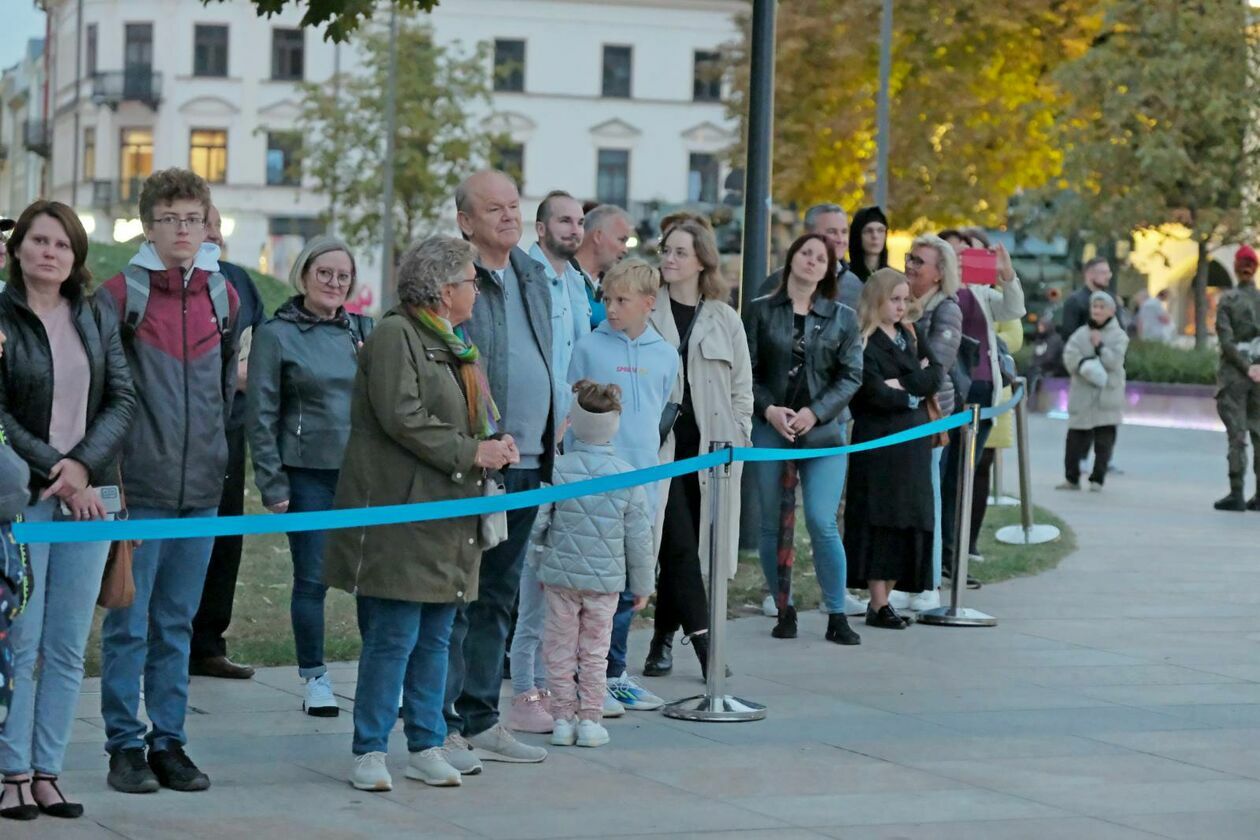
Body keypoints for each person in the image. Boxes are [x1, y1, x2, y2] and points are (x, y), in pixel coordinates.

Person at [324, 235, 519, 791]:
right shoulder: (395, 335)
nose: (477, 291)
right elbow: (402, 416)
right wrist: (469, 451)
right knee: (393, 636)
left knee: (438, 635)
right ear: (441, 288)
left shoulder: (456, 343)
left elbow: (468, 420)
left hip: (450, 511)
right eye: (469, 281)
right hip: (402, 511)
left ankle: (426, 742)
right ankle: (369, 749)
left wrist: (494, 443)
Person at [94, 169, 240, 795]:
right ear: (148, 225)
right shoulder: (117, 295)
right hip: (138, 488)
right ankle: (124, 745)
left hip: (202, 489)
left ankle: (169, 741)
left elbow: (224, 386)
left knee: (178, 623)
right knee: (130, 624)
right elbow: (100, 394)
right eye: (170, 218)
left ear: (207, 224)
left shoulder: (221, 294)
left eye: (193, 218)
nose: (183, 229)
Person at [0, 201, 136, 821]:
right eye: (39, 240)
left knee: (66, 646)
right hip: (25, 498)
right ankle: (12, 772)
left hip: (93, 498)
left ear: (76, 257)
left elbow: (123, 398)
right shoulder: (2, 316)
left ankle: (49, 771)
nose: (49, 252)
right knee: (20, 644)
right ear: (18, 248)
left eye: (62, 244)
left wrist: (83, 467)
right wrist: (59, 471)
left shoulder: (94, 311)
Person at [444, 170, 554, 770]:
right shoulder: (454, 279)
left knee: (500, 599)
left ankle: (484, 717)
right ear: (465, 220)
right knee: (459, 597)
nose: (510, 216)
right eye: (495, 209)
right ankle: (442, 724)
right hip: (480, 465)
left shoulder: (533, 274)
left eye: (515, 206)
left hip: (533, 461)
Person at [247, 235, 374, 716]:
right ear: (303, 275)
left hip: (361, 474)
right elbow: (261, 415)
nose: (334, 283)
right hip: (307, 475)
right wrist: (272, 483)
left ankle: (377, 674)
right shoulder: (275, 335)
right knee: (313, 580)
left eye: (343, 276)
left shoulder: (363, 329)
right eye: (325, 273)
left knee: (371, 579)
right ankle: (315, 677)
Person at [644, 220, 753, 678]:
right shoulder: (650, 312)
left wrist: (740, 435)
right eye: (666, 251)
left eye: (680, 252)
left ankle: (662, 638)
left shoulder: (724, 318)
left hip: (712, 456)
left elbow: (742, 388)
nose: (669, 259)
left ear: (702, 260)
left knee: (686, 550)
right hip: (661, 454)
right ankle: (708, 646)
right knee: (680, 546)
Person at [568, 258, 677, 710]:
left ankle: (613, 671)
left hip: (643, 484)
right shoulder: (589, 347)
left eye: (621, 301)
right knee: (594, 583)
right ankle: (589, 673)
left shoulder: (665, 353)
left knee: (633, 583)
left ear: (648, 304)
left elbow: (659, 409)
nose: (611, 309)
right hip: (594, 482)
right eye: (606, 299)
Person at [744, 233, 864, 644]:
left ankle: (836, 613)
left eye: (821, 258)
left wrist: (817, 411)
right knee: (772, 524)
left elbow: (851, 375)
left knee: (820, 520)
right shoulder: (760, 312)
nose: (812, 261)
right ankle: (784, 607)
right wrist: (769, 410)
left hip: (825, 432)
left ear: (829, 269)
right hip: (771, 426)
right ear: (791, 257)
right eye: (806, 253)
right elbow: (748, 373)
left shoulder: (843, 317)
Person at [504, 192, 592, 734]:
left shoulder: (579, 284)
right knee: (528, 571)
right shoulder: (524, 276)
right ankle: (525, 687)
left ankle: (560, 684)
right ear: (539, 228)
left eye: (580, 221)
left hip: (571, 440)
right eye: (564, 219)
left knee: (560, 569)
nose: (574, 229)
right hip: (532, 441)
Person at [530, 380, 654, 748]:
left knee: (558, 648)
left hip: (559, 578)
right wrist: (644, 585)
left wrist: (541, 557)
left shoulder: (558, 470)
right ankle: (590, 720)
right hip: (606, 581)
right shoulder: (629, 476)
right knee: (595, 651)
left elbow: (539, 524)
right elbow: (639, 538)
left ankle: (562, 720)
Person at [189, 205, 264, 681]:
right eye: (204, 224)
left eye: (217, 224)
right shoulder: (165, 285)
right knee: (180, 539)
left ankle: (208, 644)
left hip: (230, 429)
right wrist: (227, 374)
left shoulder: (239, 281)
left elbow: (259, 359)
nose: (214, 232)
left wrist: (243, 376)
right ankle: (168, 641)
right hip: (175, 433)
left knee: (225, 538)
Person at [846, 269, 942, 628]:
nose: (902, 306)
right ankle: (877, 600)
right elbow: (872, 392)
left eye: (905, 299)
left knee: (910, 515)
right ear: (877, 300)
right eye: (895, 299)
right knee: (880, 517)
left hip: (914, 441)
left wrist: (902, 383)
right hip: (879, 443)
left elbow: (936, 376)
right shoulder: (863, 341)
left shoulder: (910, 334)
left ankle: (891, 592)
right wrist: (910, 388)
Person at [906, 234, 962, 597]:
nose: (910, 265)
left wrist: (899, 376)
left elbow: (937, 368)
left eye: (919, 262)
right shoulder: (904, 301)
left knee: (929, 499)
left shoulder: (946, 309)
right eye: (909, 258)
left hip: (931, 414)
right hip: (902, 415)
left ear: (940, 274)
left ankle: (928, 586)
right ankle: (907, 580)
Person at [1058, 291, 1129, 491]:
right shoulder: (1081, 334)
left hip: (1107, 397)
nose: (1097, 311)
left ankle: (1097, 479)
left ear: (1111, 311)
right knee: (1075, 438)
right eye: (1094, 307)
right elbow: (1069, 355)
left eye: (1101, 307)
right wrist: (1083, 365)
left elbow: (1114, 361)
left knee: (1104, 440)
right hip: (1082, 395)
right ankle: (1071, 478)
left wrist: (1100, 347)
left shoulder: (1119, 336)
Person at [1212, 244, 1260, 511]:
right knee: (1259, 433)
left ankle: (1237, 492)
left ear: (1236, 267)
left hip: (1234, 376)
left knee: (1237, 435)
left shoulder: (1228, 300)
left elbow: (1226, 340)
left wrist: (1245, 365)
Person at [760, 203, 864, 309]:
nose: (840, 239)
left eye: (844, 232)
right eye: (832, 231)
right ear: (808, 233)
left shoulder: (854, 285)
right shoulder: (778, 281)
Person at [573, 204, 635, 328]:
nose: (625, 250)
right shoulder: (559, 275)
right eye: (622, 240)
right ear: (598, 236)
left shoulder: (620, 286)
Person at [1059, 256, 1125, 341]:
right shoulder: (1075, 301)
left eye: (1109, 273)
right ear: (1089, 274)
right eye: (1103, 273)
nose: (1108, 276)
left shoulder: (1112, 299)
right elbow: (1068, 336)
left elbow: (1121, 331)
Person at [849, 206, 889, 283]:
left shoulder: (896, 279)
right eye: (868, 231)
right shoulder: (844, 279)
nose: (875, 236)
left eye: (880, 230)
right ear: (857, 236)